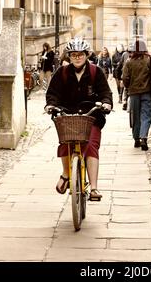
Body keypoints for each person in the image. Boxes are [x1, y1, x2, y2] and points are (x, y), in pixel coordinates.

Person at [45, 37, 113, 200]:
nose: (77, 57)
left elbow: (106, 93)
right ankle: (66, 174)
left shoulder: (96, 72)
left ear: (86, 55)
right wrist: (51, 105)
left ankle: (94, 188)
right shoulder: (61, 72)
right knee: (65, 144)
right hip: (67, 115)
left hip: (91, 116)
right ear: (69, 56)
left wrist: (106, 103)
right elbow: (52, 93)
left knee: (90, 146)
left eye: (80, 54)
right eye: (73, 54)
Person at [122, 39, 151, 151]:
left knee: (135, 116)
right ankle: (143, 137)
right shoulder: (149, 59)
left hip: (133, 93)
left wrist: (128, 86)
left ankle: (136, 139)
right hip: (147, 92)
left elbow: (125, 78)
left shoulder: (128, 61)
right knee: (146, 115)